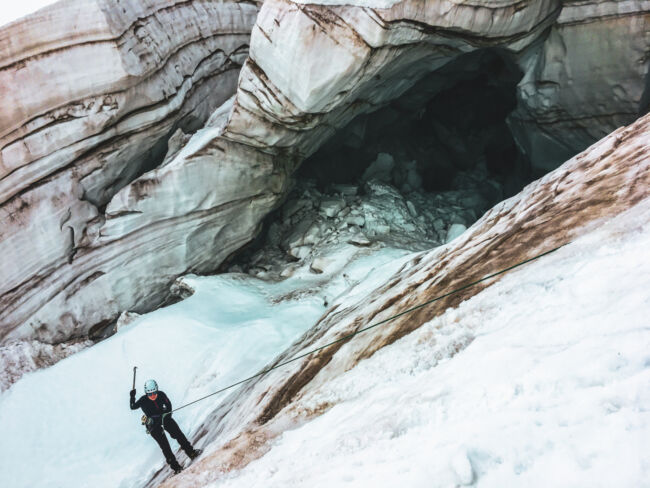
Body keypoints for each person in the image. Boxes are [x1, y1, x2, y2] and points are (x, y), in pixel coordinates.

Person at [130, 379, 201, 473]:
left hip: (165, 418)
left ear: (157, 390)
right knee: (165, 446)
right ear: (146, 393)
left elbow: (169, 406)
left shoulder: (161, 395)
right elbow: (132, 406)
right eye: (149, 394)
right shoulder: (143, 400)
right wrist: (132, 396)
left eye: (154, 392)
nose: (152, 396)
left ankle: (191, 453)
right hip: (153, 425)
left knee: (179, 435)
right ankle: (176, 468)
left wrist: (166, 415)